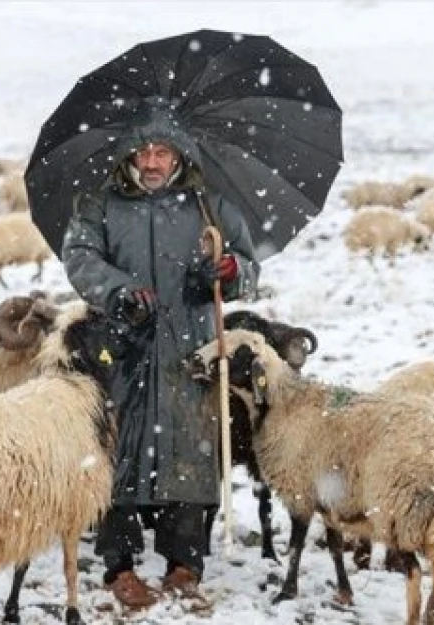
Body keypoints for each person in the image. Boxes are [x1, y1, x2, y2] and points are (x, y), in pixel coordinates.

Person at [62, 111, 258, 609]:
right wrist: (120, 291)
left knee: (190, 452)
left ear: (178, 157)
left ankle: (184, 563)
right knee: (116, 452)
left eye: (162, 152)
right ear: (130, 155)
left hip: (189, 349)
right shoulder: (100, 204)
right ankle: (120, 566)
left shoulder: (209, 205)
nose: (152, 162)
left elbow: (246, 264)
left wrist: (230, 271)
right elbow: (80, 258)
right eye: (144, 152)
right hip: (123, 348)